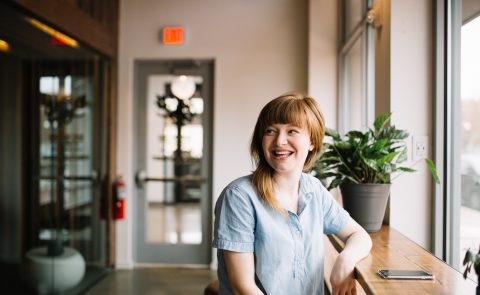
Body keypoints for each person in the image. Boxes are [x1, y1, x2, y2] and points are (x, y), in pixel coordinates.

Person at [213, 93, 372, 295]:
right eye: (270, 131)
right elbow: (243, 287)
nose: (279, 141)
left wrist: (346, 259)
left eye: (292, 131)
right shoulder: (239, 196)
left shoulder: (314, 189)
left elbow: (359, 235)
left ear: (312, 141)